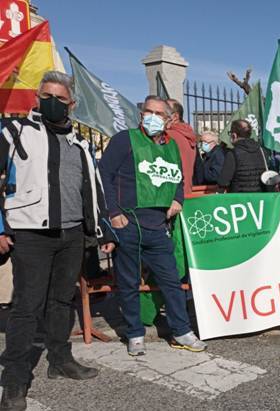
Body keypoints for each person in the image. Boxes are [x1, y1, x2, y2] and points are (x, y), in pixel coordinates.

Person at [0, 71, 116, 410]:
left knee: (61, 302)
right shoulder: (15, 132)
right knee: (26, 307)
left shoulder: (79, 143)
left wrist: (102, 229)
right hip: (31, 233)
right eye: (46, 96)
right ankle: (14, 381)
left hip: (71, 233)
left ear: (72, 105)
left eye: (60, 99)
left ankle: (59, 360)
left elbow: (93, 190)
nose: (52, 102)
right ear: (37, 98)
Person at [100, 95, 207, 356]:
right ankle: (135, 333)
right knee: (128, 282)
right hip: (129, 222)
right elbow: (104, 174)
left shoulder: (172, 147)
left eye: (159, 113)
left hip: (159, 225)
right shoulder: (124, 140)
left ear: (169, 118)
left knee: (171, 280)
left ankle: (181, 330)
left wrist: (178, 200)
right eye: (147, 111)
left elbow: (180, 179)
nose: (152, 117)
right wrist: (113, 213)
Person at [217, 119, 272, 192]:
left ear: (234, 135)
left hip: (240, 200)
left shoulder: (233, 153)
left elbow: (223, 182)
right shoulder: (262, 151)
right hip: (260, 199)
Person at [166, 99, 197, 195]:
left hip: (170, 195)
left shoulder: (169, 135)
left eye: (164, 111)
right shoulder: (187, 134)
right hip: (185, 191)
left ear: (175, 116)